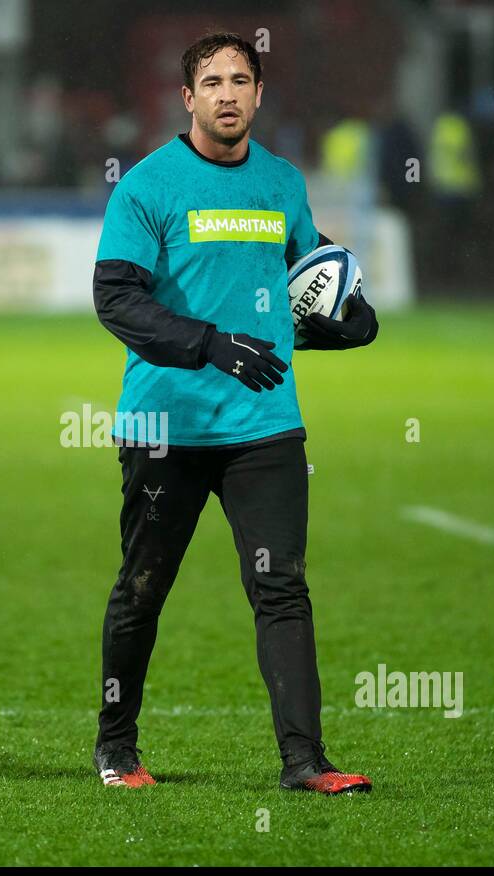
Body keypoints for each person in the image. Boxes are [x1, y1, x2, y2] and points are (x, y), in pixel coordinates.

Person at [91, 32, 378, 794]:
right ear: (186, 98)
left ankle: (304, 763)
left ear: (258, 95)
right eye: (211, 81)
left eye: (240, 80)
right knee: (143, 587)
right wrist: (208, 345)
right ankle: (116, 746)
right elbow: (115, 301)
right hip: (166, 427)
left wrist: (345, 321)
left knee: (282, 589)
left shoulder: (283, 183)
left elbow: (302, 287)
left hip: (265, 427)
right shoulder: (148, 186)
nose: (226, 93)